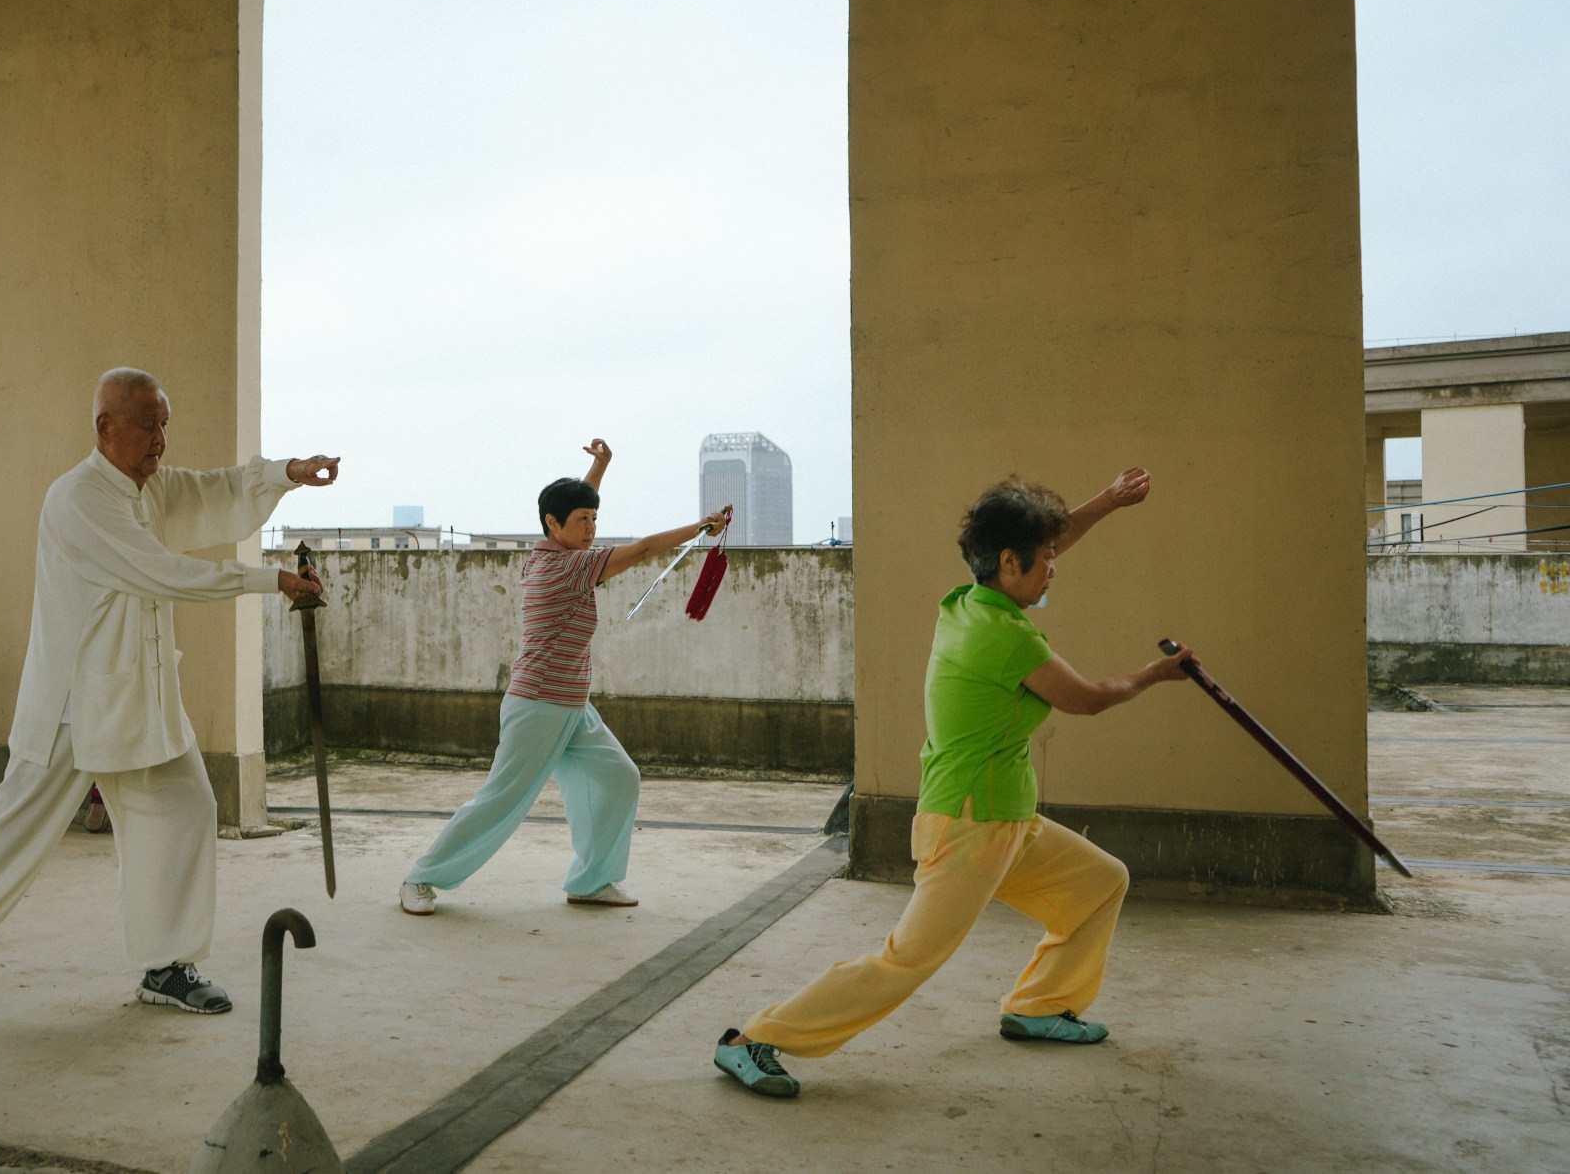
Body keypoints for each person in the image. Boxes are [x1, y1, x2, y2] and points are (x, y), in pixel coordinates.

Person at [713, 469, 1195, 1097]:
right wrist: (1158, 673)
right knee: (906, 958)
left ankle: (1039, 1006)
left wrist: (1107, 501)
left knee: (1100, 882)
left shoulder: (967, 602)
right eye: (1045, 559)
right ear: (1007, 561)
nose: (1054, 567)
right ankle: (753, 1040)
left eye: (1053, 554)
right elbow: (1089, 700)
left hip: (1008, 819)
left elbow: (1042, 546)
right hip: (969, 824)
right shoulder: (1003, 634)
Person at [0, 367, 339, 1028]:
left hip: (141, 697)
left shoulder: (150, 488)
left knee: (187, 807)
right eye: (149, 424)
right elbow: (162, 571)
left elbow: (214, 492)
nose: (161, 438)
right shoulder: (77, 500)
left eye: (165, 423)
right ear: (105, 427)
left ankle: (166, 964)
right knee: (11, 835)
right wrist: (270, 581)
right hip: (75, 705)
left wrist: (285, 472)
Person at [397, 439, 726, 916]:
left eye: (595, 519)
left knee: (618, 778)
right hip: (538, 705)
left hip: (572, 706)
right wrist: (699, 526)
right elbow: (644, 550)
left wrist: (599, 466)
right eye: (582, 521)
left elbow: (575, 502)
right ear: (553, 525)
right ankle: (419, 878)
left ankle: (591, 882)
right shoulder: (566, 566)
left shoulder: (554, 547)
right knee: (500, 801)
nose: (591, 529)